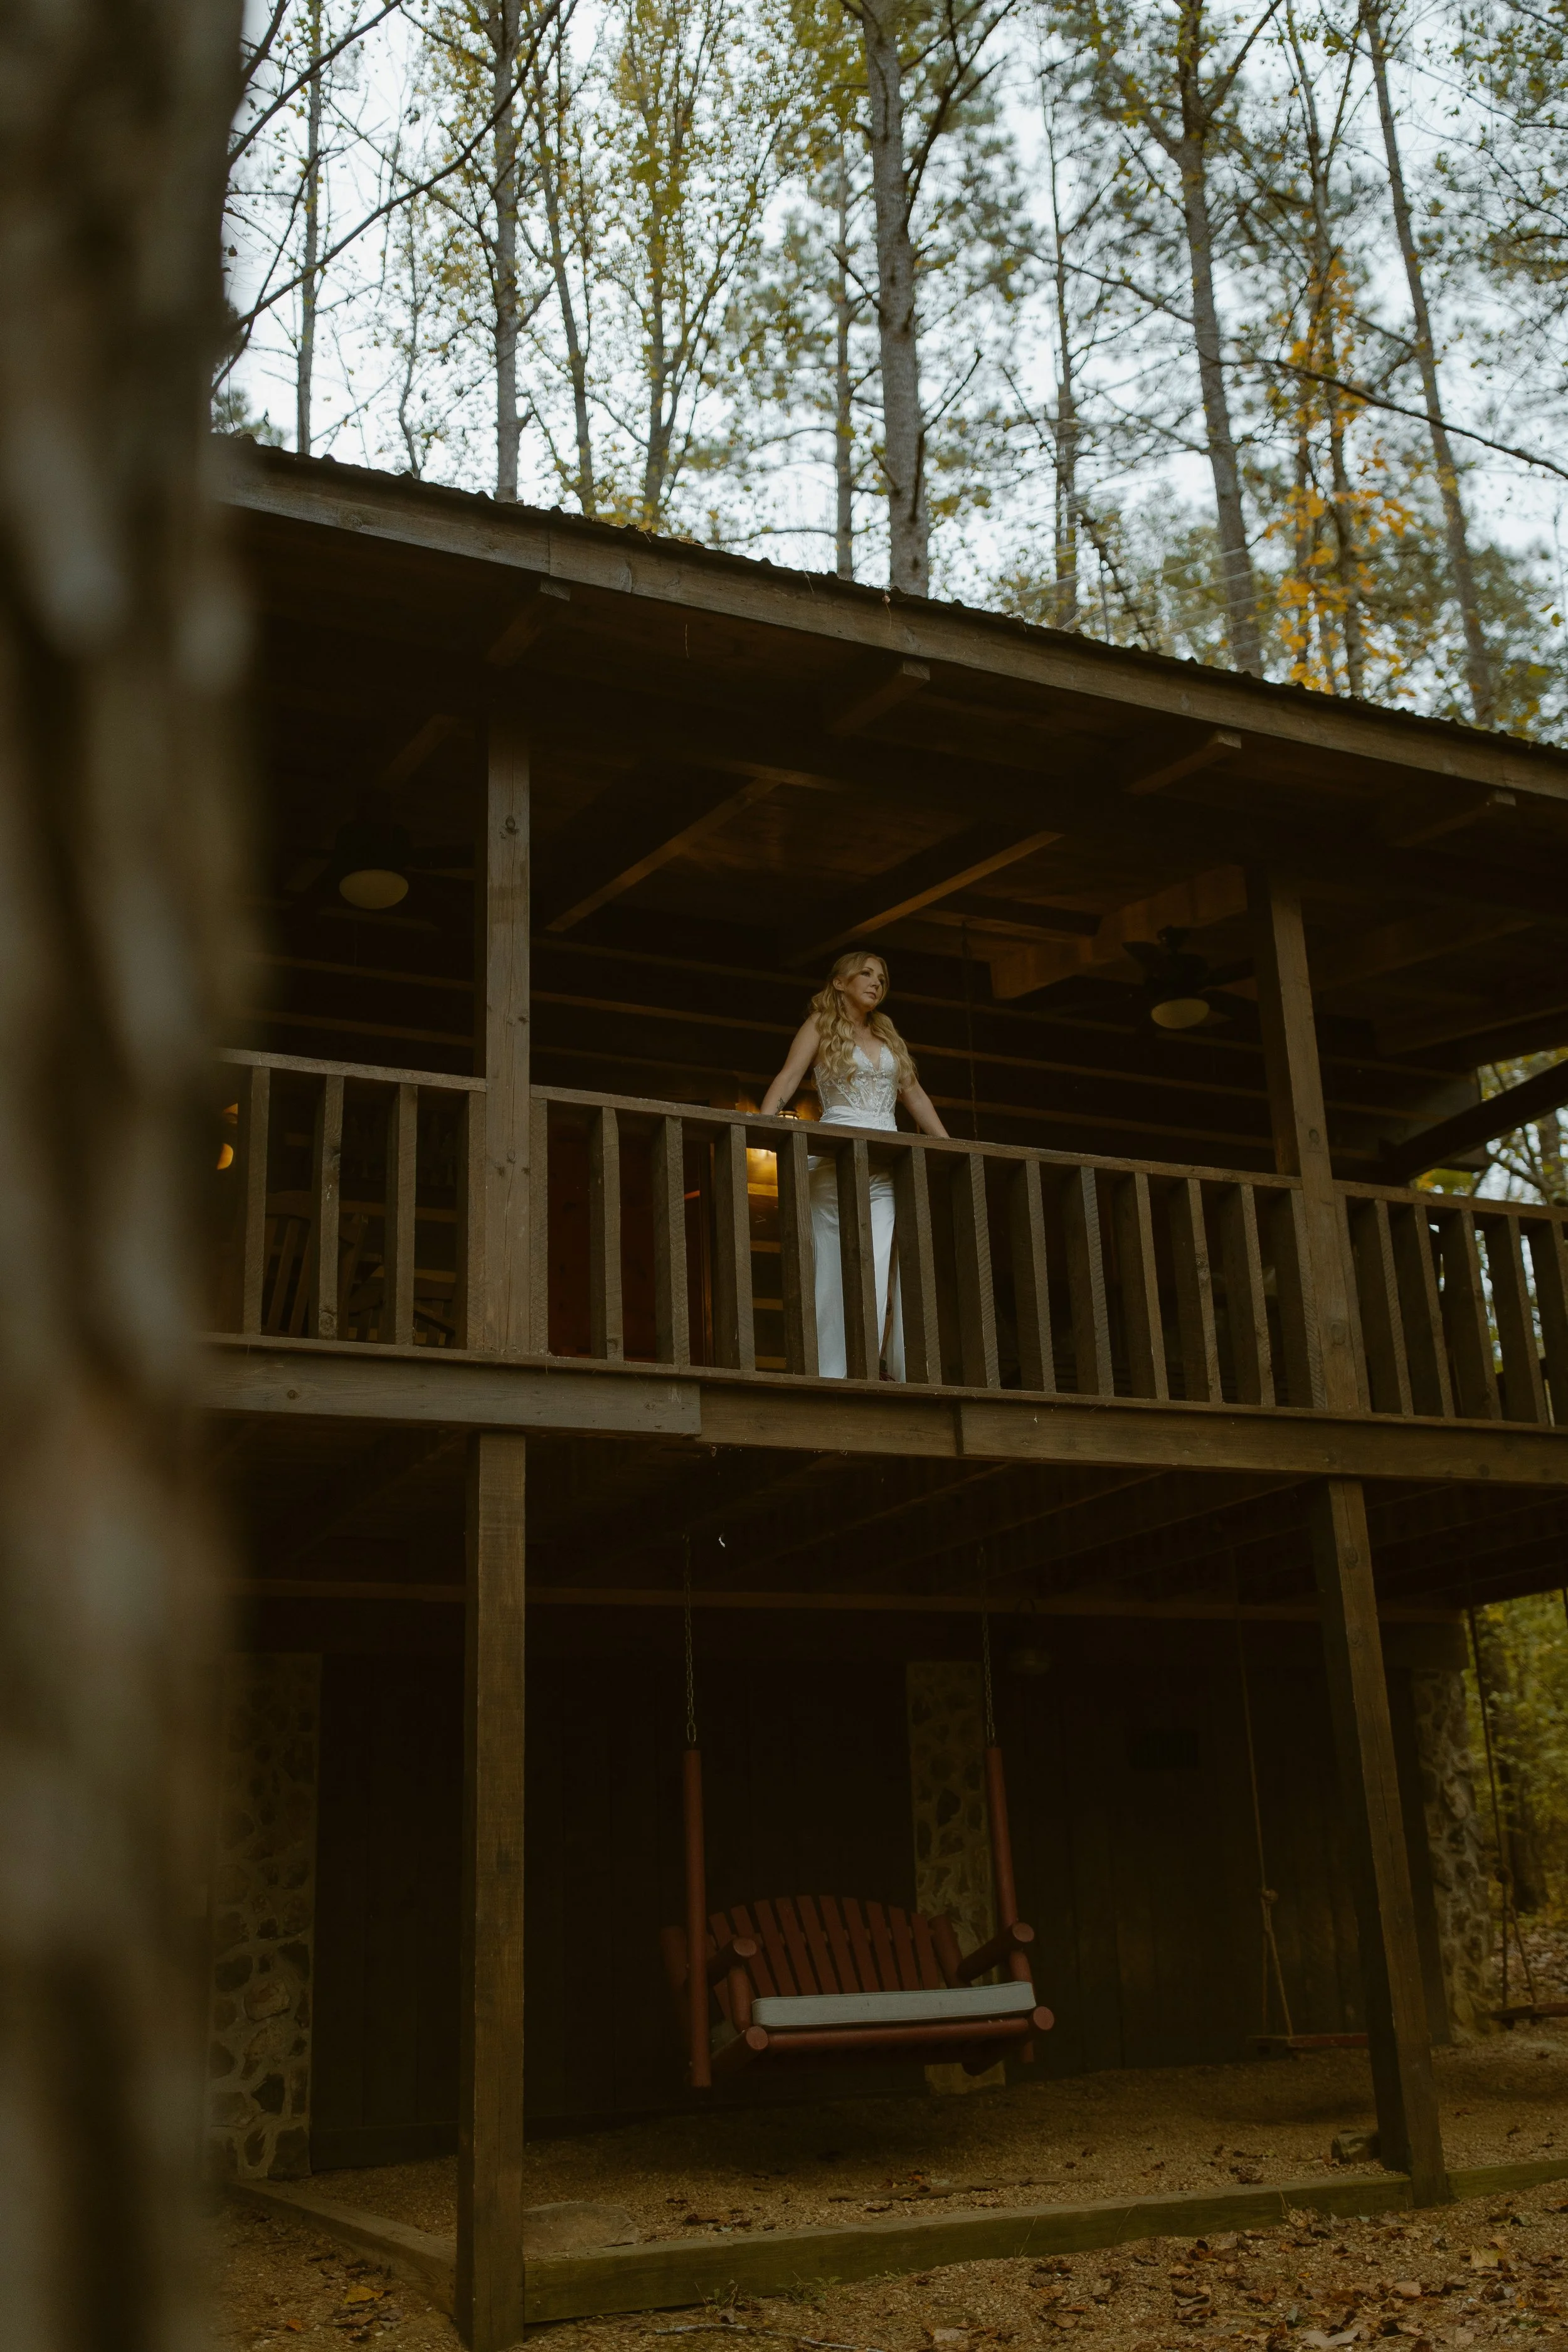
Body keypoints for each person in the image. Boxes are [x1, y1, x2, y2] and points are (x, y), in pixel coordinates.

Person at [759, 951, 948, 1378]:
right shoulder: (820, 1027)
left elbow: (913, 1094)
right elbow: (789, 1077)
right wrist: (759, 1124)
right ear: (840, 982)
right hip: (835, 1157)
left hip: (886, 1162)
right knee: (832, 1263)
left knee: (880, 1264)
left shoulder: (887, 1037)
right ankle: (831, 1371)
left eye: (882, 977)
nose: (876, 982)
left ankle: (873, 1365)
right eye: (866, 973)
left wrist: (946, 1144)